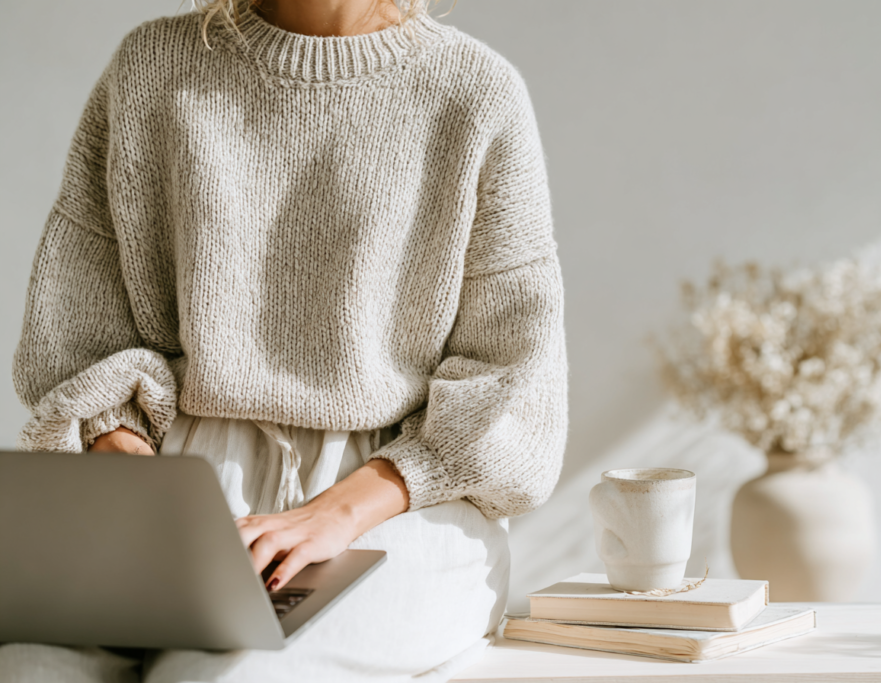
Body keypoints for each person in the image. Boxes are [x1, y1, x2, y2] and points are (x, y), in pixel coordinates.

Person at [0, 0, 568, 679]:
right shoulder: (152, 70)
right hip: (174, 491)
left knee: (220, 675)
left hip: (393, 505)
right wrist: (132, 472)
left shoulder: (475, 90)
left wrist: (334, 513)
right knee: (31, 667)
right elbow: (81, 332)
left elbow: (514, 383)